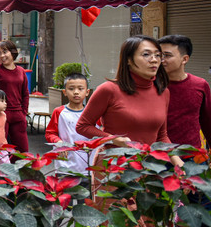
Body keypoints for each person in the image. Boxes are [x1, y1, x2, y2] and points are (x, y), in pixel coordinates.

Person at [76, 35, 184, 167]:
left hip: (149, 167)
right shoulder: (108, 89)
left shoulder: (163, 92)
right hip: (114, 165)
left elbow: (161, 136)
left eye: (157, 55)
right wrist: (115, 140)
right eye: (146, 54)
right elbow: (82, 126)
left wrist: (178, 162)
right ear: (129, 60)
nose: (154, 60)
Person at [159, 34, 211, 227]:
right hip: (158, 159)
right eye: (159, 55)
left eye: (167, 55)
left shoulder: (200, 85)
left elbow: (209, 123)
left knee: (201, 213)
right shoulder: (153, 85)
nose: (161, 60)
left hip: (194, 161)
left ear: (185, 59)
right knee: (157, 213)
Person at [0, 40, 30, 153]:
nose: (2, 56)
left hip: (18, 114)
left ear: (13, 52)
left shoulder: (21, 71)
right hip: (0, 114)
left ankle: (18, 170)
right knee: (1, 151)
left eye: (5, 52)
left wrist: (24, 112)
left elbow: (25, 94)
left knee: (22, 151)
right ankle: (2, 170)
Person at [46, 73, 98, 175]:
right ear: (64, 92)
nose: (76, 92)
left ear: (87, 92)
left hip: (88, 168)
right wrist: (58, 142)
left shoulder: (94, 114)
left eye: (80, 88)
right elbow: (50, 133)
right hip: (64, 167)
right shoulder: (59, 112)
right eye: (71, 89)